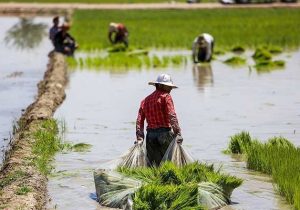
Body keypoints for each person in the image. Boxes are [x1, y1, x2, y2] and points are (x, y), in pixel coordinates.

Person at [136, 74, 183, 166]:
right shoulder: (166, 97)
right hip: (164, 135)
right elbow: (172, 115)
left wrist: (140, 138)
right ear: (160, 85)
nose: (171, 89)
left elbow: (139, 121)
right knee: (168, 165)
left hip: (150, 137)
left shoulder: (145, 100)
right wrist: (178, 133)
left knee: (153, 166)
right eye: (168, 86)